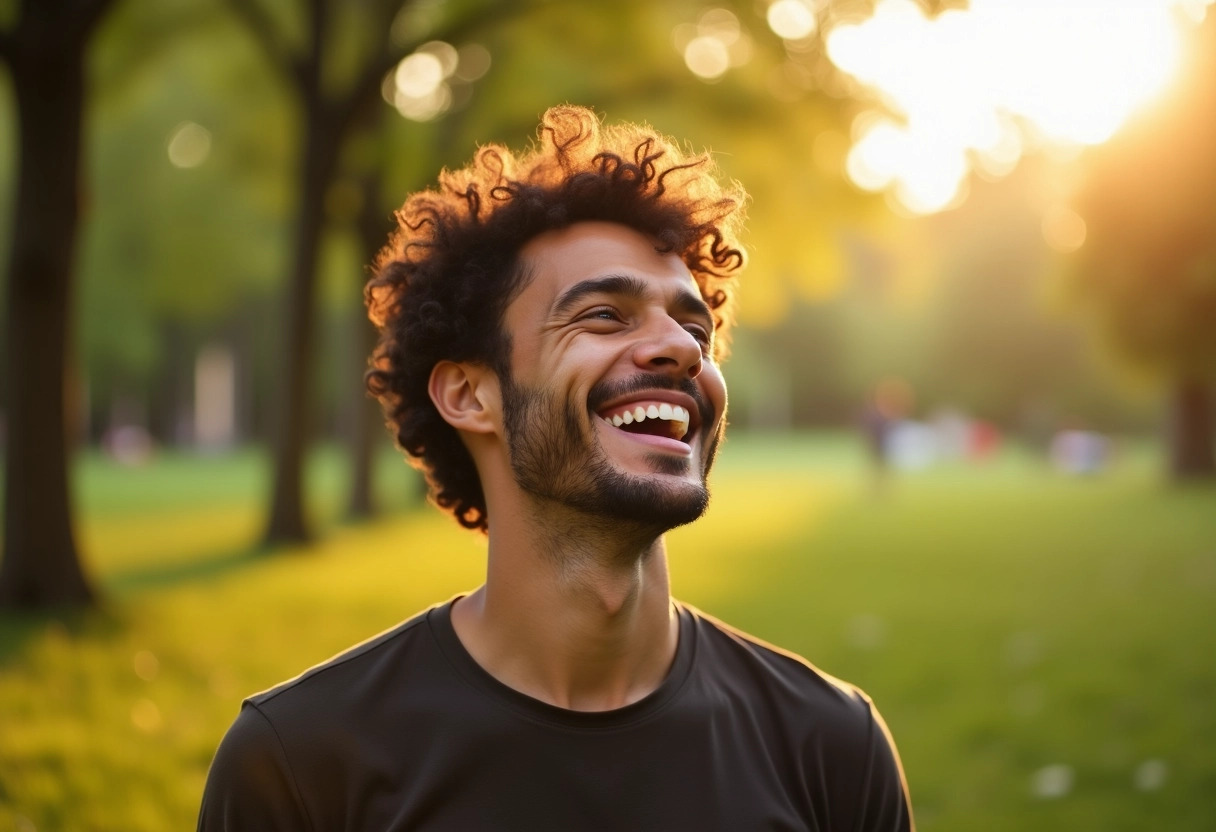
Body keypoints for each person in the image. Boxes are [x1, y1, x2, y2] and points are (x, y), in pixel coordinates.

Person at [198, 105, 914, 831]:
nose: (683, 350)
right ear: (469, 394)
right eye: (605, 315)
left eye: (694, 327)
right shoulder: (301, 766)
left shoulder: (832, 748)